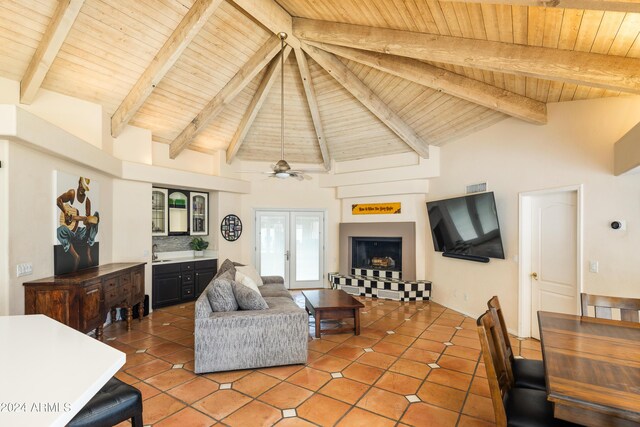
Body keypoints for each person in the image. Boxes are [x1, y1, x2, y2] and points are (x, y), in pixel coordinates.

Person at [56, 177, 100, 271]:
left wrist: (87, 222)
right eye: (81, 186)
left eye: (84, 188)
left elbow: (87, 219)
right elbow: (58, 200)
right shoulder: (72, 193)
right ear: (79, 182)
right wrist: (65, 212)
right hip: (71, 231)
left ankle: (88, 251)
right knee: (59, 231)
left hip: (81, 233)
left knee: (96, 217)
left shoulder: (87, 201)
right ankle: (76, 256)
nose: (82, 189)